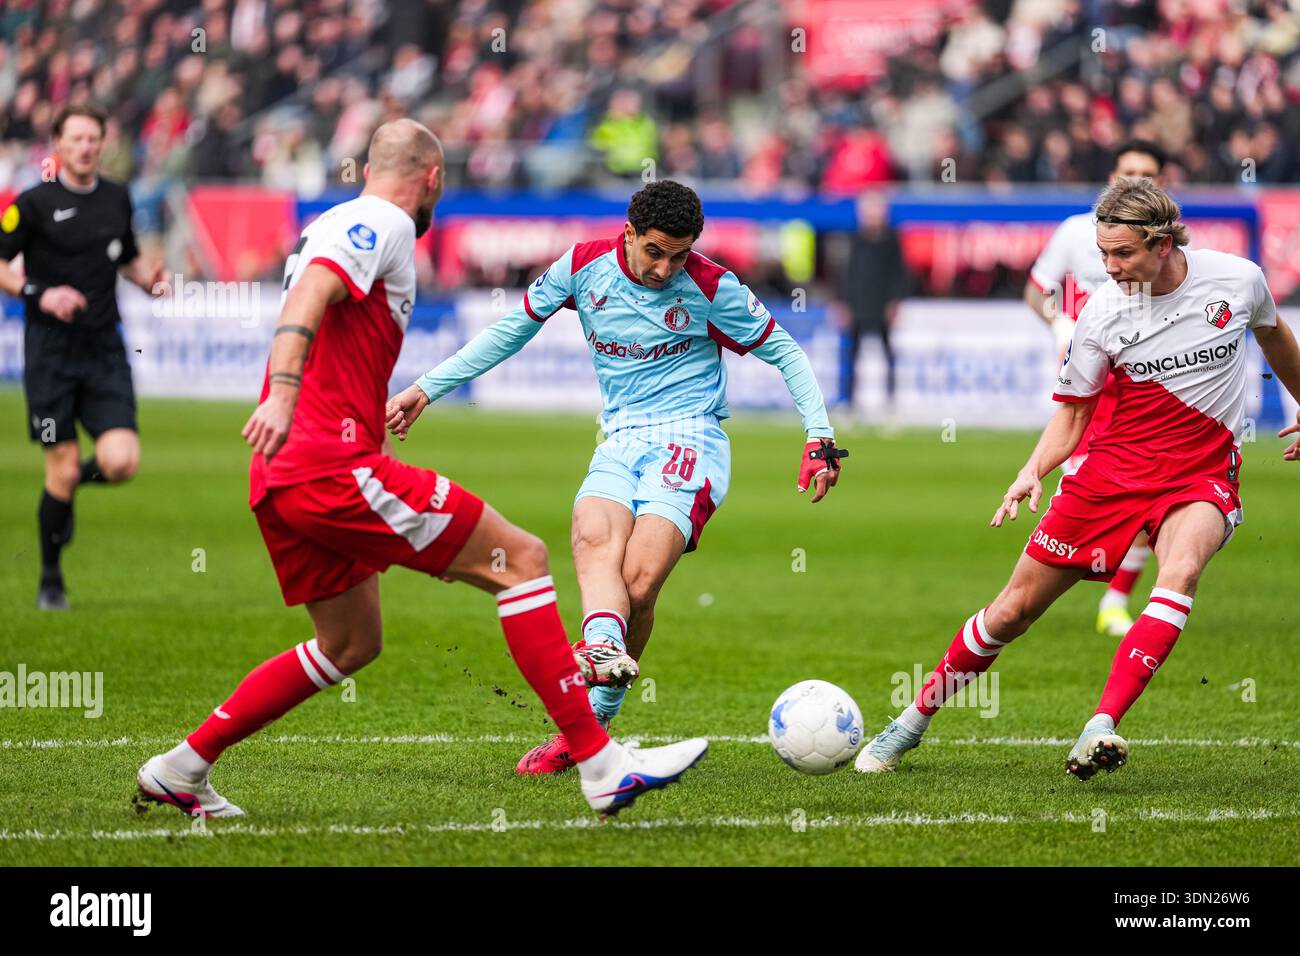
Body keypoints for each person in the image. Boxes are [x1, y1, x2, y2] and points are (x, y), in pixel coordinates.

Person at [135, 121, 706, 819]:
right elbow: (313, 291)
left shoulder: (337, 219)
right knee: (521, 559)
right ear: (431, 177)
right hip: (328, 463)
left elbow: (332, 323)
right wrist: (285, 391)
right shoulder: (385, 220)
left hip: (284, 473)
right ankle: (600, 764)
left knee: (350, 642)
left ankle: (182, 767)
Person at [386, 179, 845, 775]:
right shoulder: (582, 267)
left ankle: (593, 721)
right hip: (621, 438)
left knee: (638, 581)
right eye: (655, 251)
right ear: (628, 233)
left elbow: (786, 350)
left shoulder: (710, 286)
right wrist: (427, 387)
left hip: (691, 438)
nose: (665, 268)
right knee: (590, 535)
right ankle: (598, 670)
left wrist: (819, 436)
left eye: (679, 255)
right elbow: (512, 328)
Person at [857, 177, 1300, 781]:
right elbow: (1072, 415)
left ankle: (1101, 725)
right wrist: (1030, 470)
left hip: (1200, 474)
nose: (1109, 268)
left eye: (1123, 255)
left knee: (1181, 571)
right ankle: (910, 721)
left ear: (1165, 243)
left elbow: (1276, 339)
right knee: (1011, 612)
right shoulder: (1101, 312)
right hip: (1110, 477)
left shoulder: (1237, 280)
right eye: (1102, 254)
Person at [0, 104, 166, 610]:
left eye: (93, 138)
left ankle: (66, 491)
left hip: (103, 350)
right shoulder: (31, 204)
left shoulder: (117, 198)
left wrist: (150, 279)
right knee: (61, 463)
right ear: (58, 143)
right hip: (51, 353)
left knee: (121, 462)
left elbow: (130, 260)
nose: (86, 147)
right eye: (75, 138)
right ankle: (51, 579)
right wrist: (39, 292)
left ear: (103, 142)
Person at [1023, 140, 1167, 638]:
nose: (1137, 181)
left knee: (1150, 501)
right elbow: (1034, 289)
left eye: (1148, 174)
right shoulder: (1074, 232)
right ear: (1112, 174)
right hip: (1086, 388)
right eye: (1129, 171)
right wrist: (1059, 321)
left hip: (1142, 389)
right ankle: (1032, 593)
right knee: (1083, 494)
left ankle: (1115, 599)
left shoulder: (1166, 247)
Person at [836, 190, 906, 420]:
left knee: (887, 355)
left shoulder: (892, 240)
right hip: (858, 305)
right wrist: (843, 303)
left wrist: (895, 302)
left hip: (881, 306)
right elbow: (846, 274)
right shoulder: (854, 240)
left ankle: (890, 403)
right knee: (850, 356)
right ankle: (848, 403)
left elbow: (900, 275)